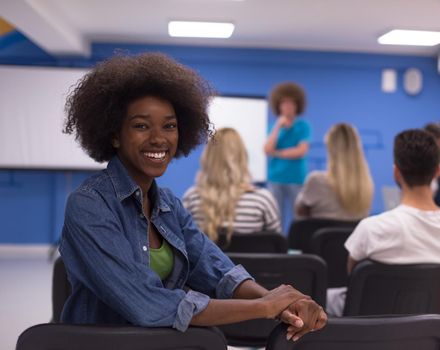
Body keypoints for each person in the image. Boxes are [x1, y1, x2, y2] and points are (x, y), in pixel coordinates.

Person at [59, 52, 326, 339]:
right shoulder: (89, 205)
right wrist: (264, 306)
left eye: (169, 126)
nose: (159, 138)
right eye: (140, 125)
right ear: (114, 135)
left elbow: (218, 271)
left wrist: (281, 304)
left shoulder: (169, 205)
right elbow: (148, 305)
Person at [326, 129, 440, 316]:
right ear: (437, 171)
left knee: (326, 297)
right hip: (432, 333)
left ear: (396, 172)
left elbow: (354, 280)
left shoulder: (372, 228)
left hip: (372, 333)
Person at [183, 127, 281, 246]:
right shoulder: (262, 200)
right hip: (252, 266)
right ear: (243, 156)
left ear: (208, 157)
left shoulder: (192, 198)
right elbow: (277, 247)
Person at [295, 123, 374, 221]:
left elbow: (299, 213)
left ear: (330, 148)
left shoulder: (316, 180)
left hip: (321, 236)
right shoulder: (366, 186)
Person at [264, 82, 310, 233]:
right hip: (276, 178)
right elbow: (267, 149)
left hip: (297, 178)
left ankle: (297, 245)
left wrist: (277, 153)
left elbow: (301, 151)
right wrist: (278, 127)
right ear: (279, 105)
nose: (288, 107)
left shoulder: (303, 126)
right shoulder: (273, 126)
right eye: (284, 103)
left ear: (297, 105)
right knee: (275, 217)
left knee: (299, 217)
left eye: (291, 103)